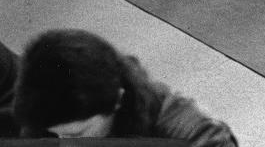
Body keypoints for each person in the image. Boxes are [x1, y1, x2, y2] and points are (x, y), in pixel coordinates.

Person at [13, 29, 236, 145]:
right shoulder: (45, 117)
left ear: (117, 100)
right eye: (58, 136)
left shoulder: (194, 136)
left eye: (79, 134)